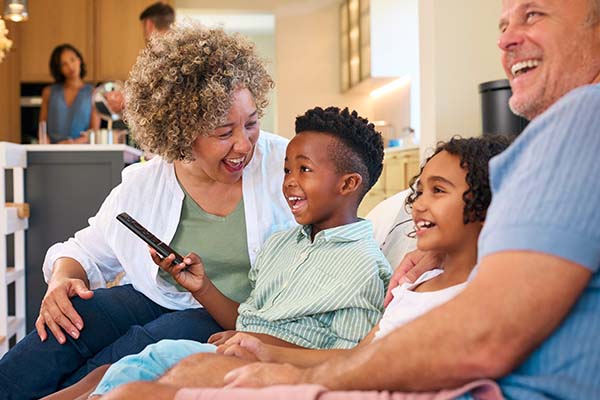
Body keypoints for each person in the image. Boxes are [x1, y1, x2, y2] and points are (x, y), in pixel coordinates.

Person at [107, 0, 600, 398]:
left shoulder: (582, 119)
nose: (506, 38)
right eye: (503, 21)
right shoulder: (560, 142)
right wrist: (448, 248)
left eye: (534, 13)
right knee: (150, 362)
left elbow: (486, 333)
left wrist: (296, 373)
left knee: (147, 377)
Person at [0, 25, 294, 399]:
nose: (243, 144)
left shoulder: (286, 167)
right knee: (68, 323)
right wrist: (61, 281)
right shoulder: (144, 183)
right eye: (224, 133)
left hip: (225, 317)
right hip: (150, 298)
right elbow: (82, 251)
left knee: (130, 353)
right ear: (182, 131)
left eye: (252, 124)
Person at [97, 135, 510, 400]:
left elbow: (353, 356)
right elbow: (364, 354)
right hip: (266, 355)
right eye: (419, 191)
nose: (417, 204)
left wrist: (271, 358)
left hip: (303, 373)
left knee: (145, 367)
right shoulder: (409, 286)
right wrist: (211, 297)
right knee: (131, 363)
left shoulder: (379, 273)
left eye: (437, 192)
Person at [76, 105, 390, 397]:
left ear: (348, 184)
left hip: (276, 370)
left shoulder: (362, 266)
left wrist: (265, 345)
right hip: (238, 350)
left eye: (304, 170)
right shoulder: (282, 244)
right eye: (286, 171)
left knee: (140, 371)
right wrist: (203, 287)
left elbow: (350, 358)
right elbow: (245, 318)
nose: (289, 183)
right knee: (112, 371)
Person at [104, 2, 175, 118]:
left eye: (143, 27)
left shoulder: (158, 55)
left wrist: (127, 101)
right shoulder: (180, 51)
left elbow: (164, 102)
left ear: (148, 24)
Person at [39, 44, 100, 144]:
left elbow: (94, 131)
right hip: (53, 151)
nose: (70, 66)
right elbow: (42, 127)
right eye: (64, 64)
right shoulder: (48, 92)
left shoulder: (93, 93)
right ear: (59, 69)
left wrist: (73, 143)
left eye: (72, 60)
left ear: (79, 60)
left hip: (81, 152)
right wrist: (46, 144)